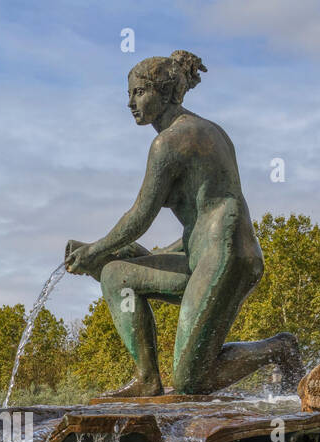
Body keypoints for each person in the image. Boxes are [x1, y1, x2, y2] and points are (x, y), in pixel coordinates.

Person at [65, 50, 301, 398]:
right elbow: (199, 220)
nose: (131, 102)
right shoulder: (209, 131)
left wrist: (94, 250)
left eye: (140, 92)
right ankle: (147, 380)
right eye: (129, 93)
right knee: (117, 276)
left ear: (164, 92)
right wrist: (103, 254)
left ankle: (280, 348)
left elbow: (139, 216)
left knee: (191, 381)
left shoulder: (171, 141)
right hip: (205, 253)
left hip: (225, 258)